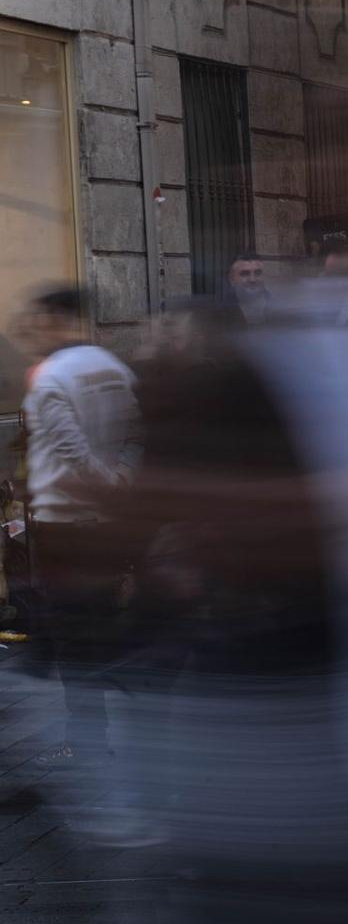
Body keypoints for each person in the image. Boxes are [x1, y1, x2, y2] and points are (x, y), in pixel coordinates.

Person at [17, 287, 141, 769]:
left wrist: (102, 484)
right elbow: (135, 434)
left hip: (64, 526)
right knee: (103, 623)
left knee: (75, 636)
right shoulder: (114, 367)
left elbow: (71, 452)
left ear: (56, 318)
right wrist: (121, 483)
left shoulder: (50, 377)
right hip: (108, 521)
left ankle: (86, 736)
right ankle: (118, 715)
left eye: (40, 318)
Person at [225, 253, 272, 327]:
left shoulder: (279, 307)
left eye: (258, 273)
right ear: (231, 279)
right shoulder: (221, 311)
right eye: (244, 274)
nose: (252, 279)